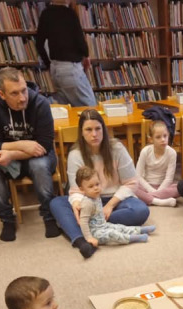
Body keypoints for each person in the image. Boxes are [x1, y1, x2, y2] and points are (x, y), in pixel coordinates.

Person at [50, 109, 150, 259]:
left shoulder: (117, 148)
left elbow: (131, 182)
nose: (94, 134)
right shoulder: (75, 154)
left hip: (114, 199)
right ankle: (81, 241)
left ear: (104, 129)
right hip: (88, 201)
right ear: (81, 132)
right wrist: (77, 204)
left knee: (141, 210)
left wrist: (109, 205)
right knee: (56, 203)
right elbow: (75, 190)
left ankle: (91, 227)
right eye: (88, 130)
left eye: (98, 129)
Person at [0, 67, 59, 242]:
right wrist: (23, 145)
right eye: (14, 94)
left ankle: (49, 215)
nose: (22, 98)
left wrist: (12, 154)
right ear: (2, 94)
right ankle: (7, 219)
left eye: (24, 91)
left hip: (40, 155)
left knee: (38, 165)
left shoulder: (40, 103)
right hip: (12, 156)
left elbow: (44, 145)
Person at [36, 0, 97, 107]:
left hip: (56, 69)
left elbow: (39, 44)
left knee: (66, 107)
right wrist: (86, 55)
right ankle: (41, 104)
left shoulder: (46, 13)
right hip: (70, 69)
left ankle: (44, 104)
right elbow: (80, 40)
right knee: (90, 108)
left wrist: (49, 65)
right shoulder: (69, 14)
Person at [76, 167, 156, 246]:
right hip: (95, 232)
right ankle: (133, 238)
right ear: (82, 189)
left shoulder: (96, 197)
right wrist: (89, 238)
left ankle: (140, 230)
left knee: (118, 227)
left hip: (103, 225)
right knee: (112, 234)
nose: (96, 188)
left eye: (97, 184)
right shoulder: (87, 203)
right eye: (91, 186)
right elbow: (83, 222)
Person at [134, 120, 178, 207]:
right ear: (151, 139)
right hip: (146, 185)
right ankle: (159, 201)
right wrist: (151, 190)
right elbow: (137, 175)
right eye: (158, 137)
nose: (163, 140)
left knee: (179, 188)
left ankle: (148, 199)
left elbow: (169, 179)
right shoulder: (145, 151)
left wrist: (159, 191)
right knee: (131, 186)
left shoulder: (172, 153)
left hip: (163, 187)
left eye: (165, 136)